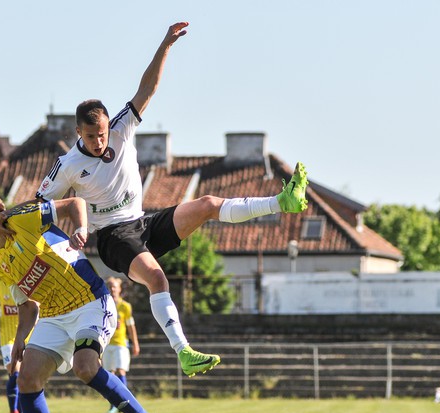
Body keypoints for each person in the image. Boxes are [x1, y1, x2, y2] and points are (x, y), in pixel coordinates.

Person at [32, 21, 310, 377]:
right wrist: (59, 245)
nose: (99, 142)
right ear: (77, 133)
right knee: (158, 279)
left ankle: (280, 202)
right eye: (90, 136)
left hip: (144, 221)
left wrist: (165, 44)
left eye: (101, 134)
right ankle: (184, 352)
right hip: (114, 238)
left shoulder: (119, 128)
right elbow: (38, 209)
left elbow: (147, 88)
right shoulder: (67, 165)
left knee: (208, 204)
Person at [0, 194, 171, 413]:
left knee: (85, 367)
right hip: (52, 315)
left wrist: (81, 229)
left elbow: (75, 204)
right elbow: (28, 305)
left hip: (89, 301)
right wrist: (20, 340)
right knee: (27, 380)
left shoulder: (20, 218)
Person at [0, 275, 29, 413]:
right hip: (7, 337)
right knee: (14, 372)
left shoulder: (26, 283)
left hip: (26, 336)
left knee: (26, 378)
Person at [102, 277, 139, 413]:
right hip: (106, 344)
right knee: (108, 375)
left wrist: (135, 343)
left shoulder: (125, 306)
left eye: (115, 287)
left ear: (120, 289)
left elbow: (131, 326)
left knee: (120, 370)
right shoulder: (103, 304)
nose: (112, 289)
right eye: (110, 286)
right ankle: (113, 404)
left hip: (121, 344)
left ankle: (124, 403)